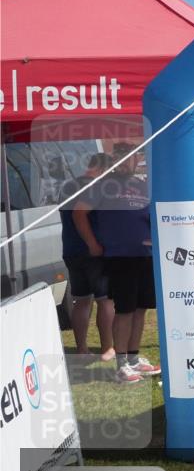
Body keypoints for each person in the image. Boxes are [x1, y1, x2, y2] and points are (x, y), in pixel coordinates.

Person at [73, 144, 160, 384]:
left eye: (132, 158)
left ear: (138, 160)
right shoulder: (103, 185)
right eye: (122, 159)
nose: (127, 163)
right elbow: (79, 213)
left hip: (145, 255)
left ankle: (133, 358)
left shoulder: (142, 185)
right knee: (124, 310)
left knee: (141, 309)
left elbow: (151, 216)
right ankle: (121, 365)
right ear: (114, 160)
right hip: (119, 257)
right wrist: (92, 244)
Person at [60, 153, 115, 361]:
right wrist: (93, 244)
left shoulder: (67, 186)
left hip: (71, 251)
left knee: (81, 301)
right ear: (101, 169)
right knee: (106, 300)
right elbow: (79, 214)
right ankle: (108, 348)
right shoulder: (93, 186)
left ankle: (82, 348)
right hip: (92, 252)